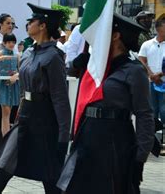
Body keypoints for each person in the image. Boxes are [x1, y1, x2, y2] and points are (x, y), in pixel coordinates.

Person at [58, 14, 155, 193]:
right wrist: (78, 63)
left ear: (116, 36)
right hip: (87, 135)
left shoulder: (134, 70)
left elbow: (144, 114)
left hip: (115, 140)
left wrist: (140, 157)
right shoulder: (96, 66)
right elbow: (72, 71)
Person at [0, 3, 71, 194]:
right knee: (3, 169)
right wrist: (19, 114)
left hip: (45, 122)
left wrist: (64, 136)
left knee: (51, 179)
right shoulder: (30, 52)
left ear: (43, 25)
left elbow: (60, 98)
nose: (27, 24)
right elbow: (24, 91)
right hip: (26, 118)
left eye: (32, 21)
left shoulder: (54, 56)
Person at [138, 19, 165, 131]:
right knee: (152, 109)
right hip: (149, 82)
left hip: (163, 82)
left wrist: (160, 74)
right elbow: (141, 59)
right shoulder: (147, 44)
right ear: (158, 30)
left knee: (164, 110)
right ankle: (153, 135)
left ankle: (163, 134)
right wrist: (151, 74)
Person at [0, 33, 20, 136]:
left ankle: (8, 135)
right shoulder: (0, 53)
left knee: (11, 112)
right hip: (3, 85)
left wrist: (17, 75)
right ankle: (4, 136)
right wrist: (1, 58)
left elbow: (21, 69)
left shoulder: (17, 55)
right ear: (4, 43)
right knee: (5, 112)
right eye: (9, 42)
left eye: (13, 42)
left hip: (14, 85)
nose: (11, 44)